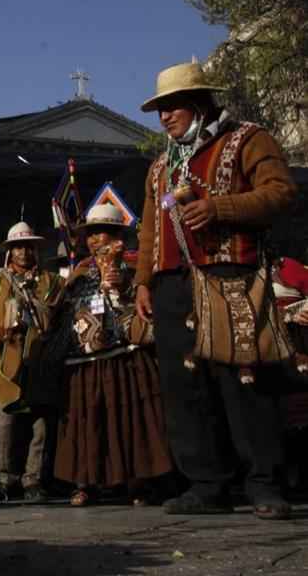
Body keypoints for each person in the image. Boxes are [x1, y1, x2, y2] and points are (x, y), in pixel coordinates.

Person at [134, 60, 299, 519]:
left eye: (173, 107)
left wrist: (221, 207)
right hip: (171, 285)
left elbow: (282, 193)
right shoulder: (160, 167)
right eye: (160, 110)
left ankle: (264, 483)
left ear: (199, 103)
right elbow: (149, 230)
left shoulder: (247, 139)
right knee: (184, 388)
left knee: (243, 379)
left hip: (231, 275)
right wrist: (143, 283)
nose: (165, 117)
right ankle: (207, 486)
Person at [48, 203, 174, 506]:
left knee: (131, 418)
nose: (94, 240)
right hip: (84, 358)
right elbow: (64, 314)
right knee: (85, 422)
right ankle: (85, 483)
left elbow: (147, 308)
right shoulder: (77, 274)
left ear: (118, 236)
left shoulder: (135, 270)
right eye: (90, 234)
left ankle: (137, 482)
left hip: (124, 355)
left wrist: (127, 287)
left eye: (100, 232)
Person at [0, 221, 64, 501]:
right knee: (5, 424)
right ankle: (6, 478)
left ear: (36, 249)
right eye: (18, 247)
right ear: (10, 251)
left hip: (41, 362)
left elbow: (59, 316)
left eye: (28, 246)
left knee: (41, 425)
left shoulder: (52, 282)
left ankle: (34, 480)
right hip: (7, 360)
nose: (23, 252)